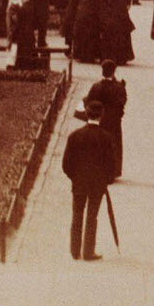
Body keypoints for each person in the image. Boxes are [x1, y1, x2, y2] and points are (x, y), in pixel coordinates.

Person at [62, 99, 115, 262]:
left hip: (79, 184)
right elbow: (111, 166)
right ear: (101, 116)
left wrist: (75, 178)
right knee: (92, 217)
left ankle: (74, 251)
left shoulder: (74, 136)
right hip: (97, 185)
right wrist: (105, 180)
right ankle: (88, 252)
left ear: (86, 114)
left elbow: (66, 164)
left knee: (77, 214)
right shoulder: (106, 138)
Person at [85, 61, 127, 179]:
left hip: (99, 120)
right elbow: (122, 102)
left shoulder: (96, 86)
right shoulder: (119, 86)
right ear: (114, 71)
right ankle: (113, 170)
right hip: (114, 121)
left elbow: (89, 101)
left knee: (97, 144)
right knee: (114, 145)